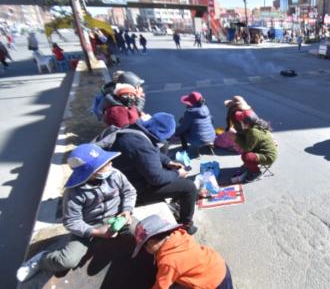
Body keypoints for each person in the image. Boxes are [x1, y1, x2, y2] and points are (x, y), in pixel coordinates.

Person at [16, 144, 136, 283]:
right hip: (88, 225)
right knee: (68, 261)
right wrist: (96, 232)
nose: (110, 163)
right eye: (104, 164)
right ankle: (43, 259)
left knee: (139, 231)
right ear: (90, 172)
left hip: (116, 217)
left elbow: (129, 191)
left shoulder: (115, 174)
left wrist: (126, 211)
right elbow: (71, 221)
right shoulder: (74, 193)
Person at [105, 113, 198, 234]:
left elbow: (152, 151)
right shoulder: (140, 145)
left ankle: (175, 204)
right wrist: (178, 174)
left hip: (124, 179)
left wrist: (168, 162)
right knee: (189, 187)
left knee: (169, 171)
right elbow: (156, 178)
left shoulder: (134, 131)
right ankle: (186, 225)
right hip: (132, 191)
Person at [132, 215, 233, 289]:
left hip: (210, 281)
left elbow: (161, 286)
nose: (146, 250)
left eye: (145, 247)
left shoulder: (168, 262)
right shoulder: (179, 234)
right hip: (217, 264)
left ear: (152, 242)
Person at [231, 113, 277, 183]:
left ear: (247, 124)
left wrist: (236, 138)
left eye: (243, 123)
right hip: (263, 151)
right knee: (246, 155)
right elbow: (245, 135)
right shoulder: (257, 127)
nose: (242, 124)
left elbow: (247, 148)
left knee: (246, 156)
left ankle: (257, 173)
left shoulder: (254, 132)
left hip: (268, 157)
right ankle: (251, 166)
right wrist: (237, 134)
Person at [175, 91, 216, 156]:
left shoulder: (190, 113)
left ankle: (185, 149)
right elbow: (212, 121)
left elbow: (183, 128)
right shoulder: (205, 108)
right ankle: (207, 144)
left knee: (182, 133)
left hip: (198, 140)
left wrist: (175, 133)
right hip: (212, 137)